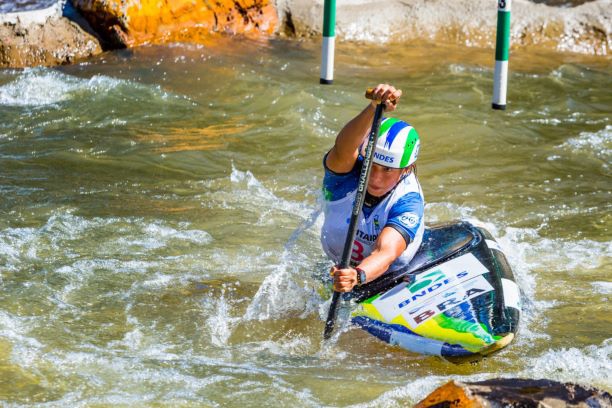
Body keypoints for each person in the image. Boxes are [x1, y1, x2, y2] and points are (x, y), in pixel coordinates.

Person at [321, 84, 424, 293]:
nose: (375, 178)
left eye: (388, 170)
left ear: (406, 170)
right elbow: (344, 147)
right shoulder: (344, 177)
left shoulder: (408, 200)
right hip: (337, 264)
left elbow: (385, 251)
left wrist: (356, 276)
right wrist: (373, 107)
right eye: (372, 166)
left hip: (389, 273)